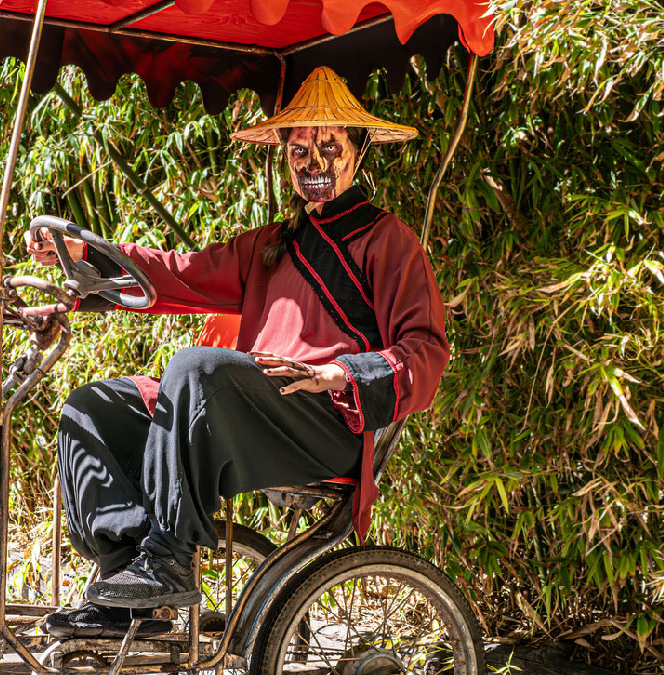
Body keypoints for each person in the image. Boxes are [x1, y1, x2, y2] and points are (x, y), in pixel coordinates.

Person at [27, 66, 451, 639]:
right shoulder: (271, 245)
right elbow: (179, 275)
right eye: (300, 149)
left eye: (329, 145)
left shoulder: (388, 240)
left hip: (323, 421)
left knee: (194, 367)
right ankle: (127, 576)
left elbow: (425, 351)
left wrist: (339, 372)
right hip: (248, 407)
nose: (314, 162)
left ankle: (171, 556)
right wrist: (83, 259)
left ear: (358, 151)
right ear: (286, 157)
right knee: (92, 406)